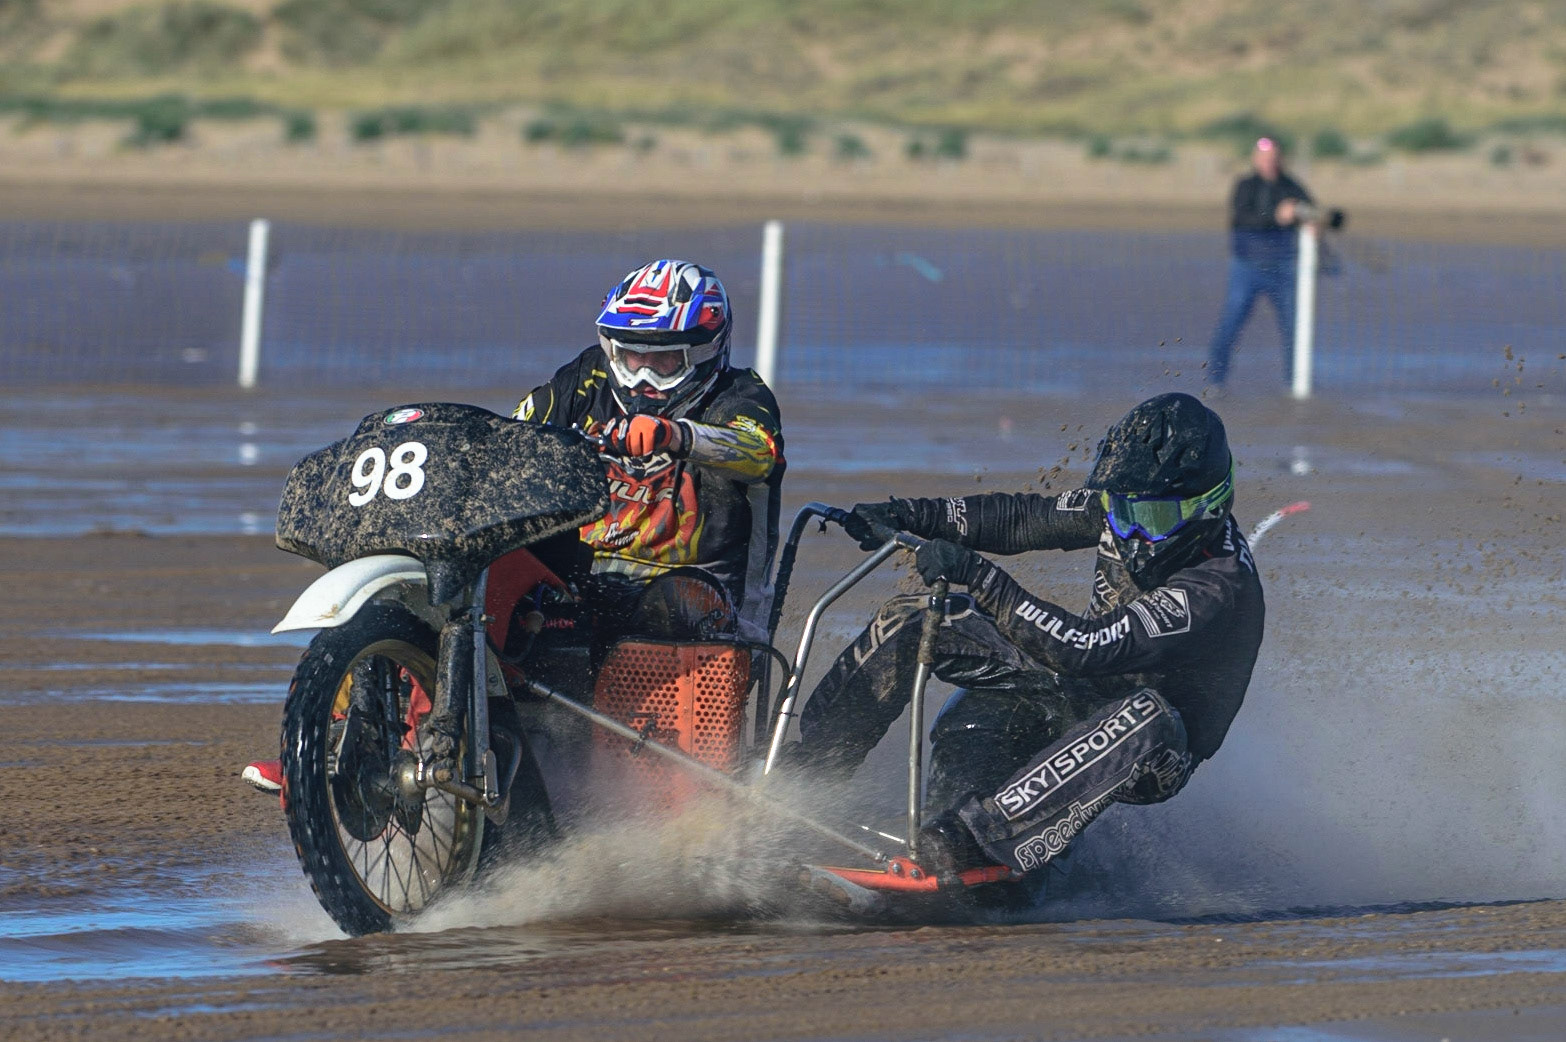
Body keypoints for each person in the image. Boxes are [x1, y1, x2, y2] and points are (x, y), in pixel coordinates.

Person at [244, 259, 785, 793]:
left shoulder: (742, 397)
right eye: (629, 355)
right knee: (445, 583)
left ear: (707, 351)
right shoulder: (587, 377)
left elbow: (757, 451)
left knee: (586, 617)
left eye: (662, 362)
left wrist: (677, 436)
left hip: (696, 602)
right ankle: (342, 741)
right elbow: (513, 435)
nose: (641, 374)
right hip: (580, 580)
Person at [784, 393, 1263, 878]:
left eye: (1153, 520)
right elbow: (1021, 518)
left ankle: (976, 842)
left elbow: (1085, 647)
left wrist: (979, 575)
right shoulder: (1127, 506)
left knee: (1145, 716)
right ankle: (803, 779)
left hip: (1153, 749)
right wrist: (909, 516)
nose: (1132, 532)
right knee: (917, 618)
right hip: (1074, 685)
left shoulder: (1216, 586)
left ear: (1209, 506)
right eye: (1121, 512)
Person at [1207, 137, 1315, 391]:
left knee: (1294, 328)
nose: (1270, 163)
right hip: (1246, 266)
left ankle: (1295, 384)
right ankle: (1215, 381)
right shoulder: (1245, 186)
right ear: (1256, 159)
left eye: (1274, 158)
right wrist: (1276, 217)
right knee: (1231, 323)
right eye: (1264, 158)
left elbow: (1312, 210)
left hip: (1284, 268)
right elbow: (1241, 217)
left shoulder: (1291, 187)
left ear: (1280, 159)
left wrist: (1312, 220)